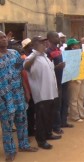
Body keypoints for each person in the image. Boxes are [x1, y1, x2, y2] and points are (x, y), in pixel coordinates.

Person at [0, 31, 38, 161]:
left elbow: (21, 72)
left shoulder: (14, 53)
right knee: (7, 125)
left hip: (18, 94)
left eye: (4, 37)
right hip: (4, 97)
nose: (3, 39)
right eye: (0, 38)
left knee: (22, 120)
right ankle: (10, 151)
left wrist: (26, 91)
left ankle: (24, 145)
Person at [24, 36, 62, 150]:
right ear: (34, 44)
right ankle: (41, 140)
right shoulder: (31, 57)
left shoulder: (45, 56)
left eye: (45, 41)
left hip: (51, 92)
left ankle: (48, 134)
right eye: (41, 42)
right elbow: (26, 67)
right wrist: (36, 54)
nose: (45, 43)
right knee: (41, 117)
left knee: (49, 115)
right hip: (41, 94)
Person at [45, 31, 67, 134]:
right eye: (56, 37)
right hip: (53, 81)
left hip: (60, 79)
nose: (58, 38)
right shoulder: (48, 52)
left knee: (60, 103)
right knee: (55, 105)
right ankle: (56, 126)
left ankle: (60, 123)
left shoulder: (58, 50)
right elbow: (46, 67)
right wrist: (57, 67)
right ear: (49, 39)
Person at [65, 38, 84, 122]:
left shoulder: (81, 53)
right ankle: (75, 116)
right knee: (74, 99)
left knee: (81, 97)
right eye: (76, 44)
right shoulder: (67, 55)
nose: (78, 45)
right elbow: (68, 68)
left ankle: (82, 114)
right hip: (74, 79)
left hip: (82, 77)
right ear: (72, 46)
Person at [21, 38, 36, 137]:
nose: (32, 47)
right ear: (26, 48)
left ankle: (32, 128)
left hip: (33, 87)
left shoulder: (32, 57)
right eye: (30, 46)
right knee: (29, 111)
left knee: (32, 110)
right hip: (27, 88)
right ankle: (29, 131)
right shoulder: (23, 58)